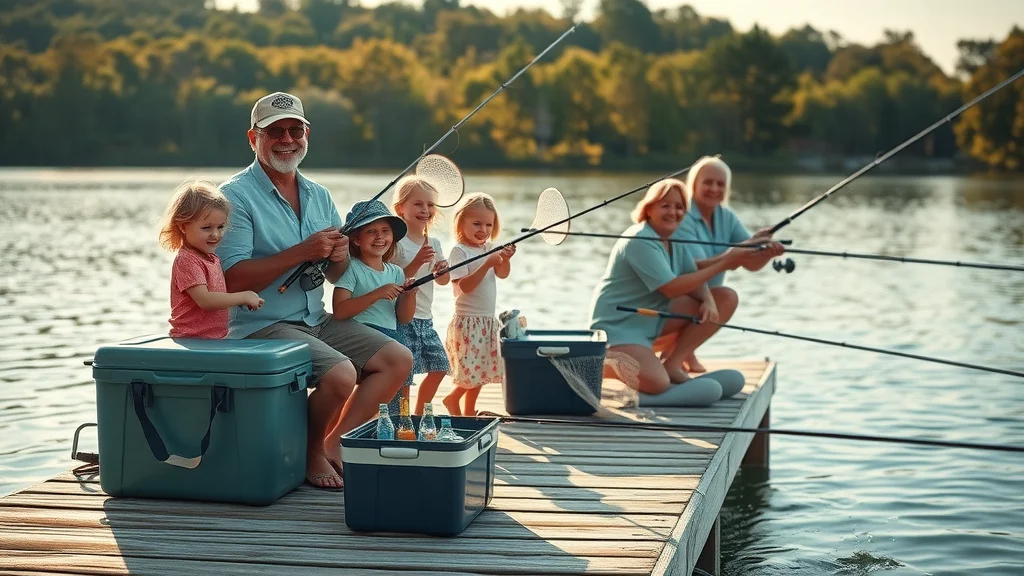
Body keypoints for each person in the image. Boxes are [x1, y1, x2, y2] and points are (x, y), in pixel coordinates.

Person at [217, 92, 412, 490]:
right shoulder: (233, 196)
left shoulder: (320, 195)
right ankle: (310, 453)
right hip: (261, 323)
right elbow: (231, 279)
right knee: (340, 373)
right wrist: (302, 252)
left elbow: (338, 274)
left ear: (307, 134)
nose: (287, 139)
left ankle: (333, 447)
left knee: (398, 358)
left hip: (313, 318)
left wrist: (340, 254)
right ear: (253, 138)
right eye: (275, 131)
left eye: (295, 130)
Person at [588, 178, 748, 407]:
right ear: (649, 208)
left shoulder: (673, 239)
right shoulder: (639, 240)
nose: (674, 212)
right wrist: (725, 262)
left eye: (679, 206)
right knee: (658, 383)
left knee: (726, 297)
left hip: (651, 319)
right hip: (619, 329)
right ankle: (602, 366)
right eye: (666, 205)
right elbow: (672, 288)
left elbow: (692, 276)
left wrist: (707, 299)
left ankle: (673, 364)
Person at [677, 156, 785, 373]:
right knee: (727, 296)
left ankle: (683, 352)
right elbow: (695, 267)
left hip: (706, 295)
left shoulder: (726, 216)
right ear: (693, 185)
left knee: (725, 296)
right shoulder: (681, 214)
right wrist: (736, 254)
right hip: (680, 292)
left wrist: (764, 250)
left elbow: (750, 263)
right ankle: (678, 356)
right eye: (708, 182)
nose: (714, 188)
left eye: (720, 184)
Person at [332, 199, 417, 411]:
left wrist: (409, 296)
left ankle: (390, 430)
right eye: (371, 231)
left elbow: (404, 318)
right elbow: (340, 311)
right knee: (373, 397)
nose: (380, 237)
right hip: (362, 338)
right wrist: (377, 294)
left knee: (396, 395)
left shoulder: (396, 272)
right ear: (356, 239)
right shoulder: (352, 268)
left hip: (392, 336)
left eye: (385, 231)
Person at [158, 180, 263, 339]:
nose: (215, 234)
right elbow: (205, 300)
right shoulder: (187, 260)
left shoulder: (211, 258)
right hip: (191, 340)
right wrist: (243, 296)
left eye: (220, 227)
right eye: (206, 228)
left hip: (215, 340)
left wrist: (241, 300)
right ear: (183, 226)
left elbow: (218, 295)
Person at [442, 193, 515, 416]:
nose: (483, 229)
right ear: (461, 222)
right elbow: (464, 287)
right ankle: (452, 400)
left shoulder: (488, 248)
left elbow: (502, 274)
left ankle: (469, 409)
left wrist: (506, 259)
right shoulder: (459, 251)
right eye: (476, 223)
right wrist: (486, 264)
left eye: (488, 224)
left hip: (486, 321)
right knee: (469, 372)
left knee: (481, 371)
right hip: (468, 323)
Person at [389, 176, 452, 415]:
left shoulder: (433, 242)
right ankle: (401, 417)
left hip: (426, 319)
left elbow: (444, 281)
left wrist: (441, 271)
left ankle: (419, 414)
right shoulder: (396, 243)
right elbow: (393, 281)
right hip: (401, 319)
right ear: (400, 208)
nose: (425, 210)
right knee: (405, 376)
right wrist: (417, 262)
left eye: (430, 205)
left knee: (440, 367)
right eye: (418, 204)